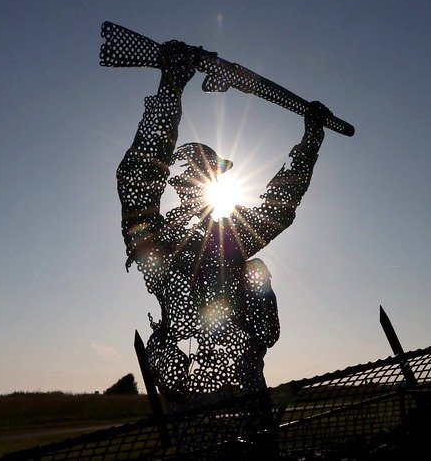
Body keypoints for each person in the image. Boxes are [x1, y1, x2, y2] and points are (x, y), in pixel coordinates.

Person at [117, 39, 328, 408]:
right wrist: (170, 87)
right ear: (182, 185)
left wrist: (311, 140)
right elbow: (137, 178)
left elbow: (279, 205)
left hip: (242, 384)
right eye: (198, 176)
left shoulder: (226, 241)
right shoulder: (163, 242)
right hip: (194, 389)